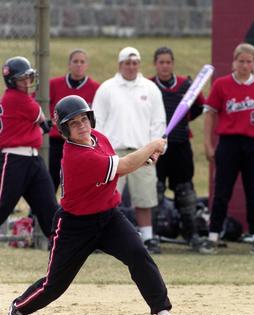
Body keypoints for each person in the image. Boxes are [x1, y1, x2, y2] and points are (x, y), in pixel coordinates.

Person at [4, 95, 181, 315]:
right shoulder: (76, 156)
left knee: (138, 254)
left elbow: (121, 164)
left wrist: (145, 159)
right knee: (54, 285)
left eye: (84, 118)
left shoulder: (100, 140)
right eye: (74, 123)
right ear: (65, 130)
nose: (82, 125)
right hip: (75, 226)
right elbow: (123, 165)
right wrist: (151, 146)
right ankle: (19, 309)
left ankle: (164, 314)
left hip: (109, 218)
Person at [92, 47, 166, 254]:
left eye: (135, 63)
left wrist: (156, 148)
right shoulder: (107, 88)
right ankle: (101, 238)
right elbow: (98, 122)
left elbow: (158, 122)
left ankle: (149, 238)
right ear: (120, 64)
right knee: (106, 199)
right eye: (127, 63)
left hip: (143, 152)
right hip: (112, 154)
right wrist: (99, 151)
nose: (131, 67)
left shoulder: (150, 89)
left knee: (145, 199)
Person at [203, 43, 254, 254]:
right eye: (241, 61)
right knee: (222, 192)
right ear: (234, 62)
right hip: (229, 143)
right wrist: (207, 143)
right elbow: (210, 113)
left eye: (249, 61)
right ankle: (213, 236)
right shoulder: (222, 85)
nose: (244, 65)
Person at [150, 46, 205, 251]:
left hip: (181, 145)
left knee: (186, 192)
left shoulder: (186, 85)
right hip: (155, 146)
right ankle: (152, 236)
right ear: (155, 64)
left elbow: (199, 106)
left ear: (173, 63)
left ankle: (192, 236)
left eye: (168, 62)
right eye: (161, 62)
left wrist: (182, 123)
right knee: (155, 191)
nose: (165, 66)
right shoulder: (148, 85)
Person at [0, 56, 58, 240]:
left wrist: (38, 130)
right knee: (2, 207)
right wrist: (40, 129)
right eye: (21, 79)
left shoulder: (20, 99)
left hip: (33, 160)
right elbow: (42, 121)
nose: (27, 82)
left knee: (50, 210)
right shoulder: (16, 98)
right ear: (11, 81)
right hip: (14, 159)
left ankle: (64, 248)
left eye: (28, 77)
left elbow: (38, 130)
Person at [49, 49, 100, 192]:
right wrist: (51, 120)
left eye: (82, 62)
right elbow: (38, 102)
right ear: (69, 65)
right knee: (50, 181)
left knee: (79, 183)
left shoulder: (95, 88)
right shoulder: (53, 84)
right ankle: (38, 213)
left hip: (82, 142)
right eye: (75, 61)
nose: (79, 65)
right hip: (57, 141)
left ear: (87, 65)